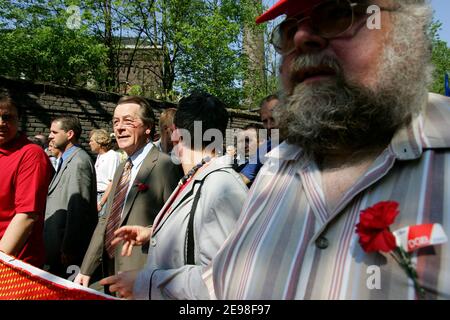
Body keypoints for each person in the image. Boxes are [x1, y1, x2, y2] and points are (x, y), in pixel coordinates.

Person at [202, 0, 450, 299]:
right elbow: (222, 285)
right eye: (288, 28)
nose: (300, 37)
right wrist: (146, 282)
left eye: (337, 13)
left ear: (408, 29)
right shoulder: (274, 167)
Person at [99, 92, 248, 299]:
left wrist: (145, 282)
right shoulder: (196, 178)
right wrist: (151, 232)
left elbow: (224, 281)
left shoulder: (221, 187)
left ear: (175, 133)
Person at [74, 96, 183, 292]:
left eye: (128, 121)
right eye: (116, 122)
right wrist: (86, 268)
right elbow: (106, 219)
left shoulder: (166, 166)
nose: (119, 127)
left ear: (148, 127)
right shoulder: (122, 168)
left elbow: (176, 224)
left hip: (142, 274)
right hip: (110, 269)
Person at [0, 95, 53, 268]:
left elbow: (26, 216)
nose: (1, 123)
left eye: (7, 117)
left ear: (19, 120)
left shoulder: (31, 154)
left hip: (13, 264)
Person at [44, 115, 98, 278]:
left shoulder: (78, 162)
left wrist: (70, 247)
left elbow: (78, 209)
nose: (50, 136)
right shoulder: (66, 160)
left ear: (69, 134)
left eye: (54, 132)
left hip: (66, 251)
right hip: (58, 246)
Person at [239, 95, 280, 186]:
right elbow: (240, 181)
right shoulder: (266, 149)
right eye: (265, 121)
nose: (269, 126)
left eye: (273, 119)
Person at [89, 129, 122, 217]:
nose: (89, 143)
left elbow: (113, 181)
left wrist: (101, 203)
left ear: (99, 142)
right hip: (96, 194)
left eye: (91, 141)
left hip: (104, 196)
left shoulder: (112, 156)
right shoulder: (99, 156)